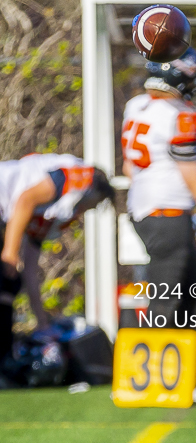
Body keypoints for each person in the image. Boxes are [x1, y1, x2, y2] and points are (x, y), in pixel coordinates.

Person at [122, 47, 196, 333]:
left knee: (193, 286)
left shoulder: (136, 106)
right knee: (166, 301)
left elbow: (129, 168)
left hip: (146, 209)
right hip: (167, 213)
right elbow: (193, 181)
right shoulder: (182, 116)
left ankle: (183, 369)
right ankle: (154, 371)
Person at [0, 154, 114, 363]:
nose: (87, 210)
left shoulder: (47, 213)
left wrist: (43, 323)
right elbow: (26, 198)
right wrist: (10, 253)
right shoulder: (82, 177)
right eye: (93, 205)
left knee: (9, 283)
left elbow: (30, 272)